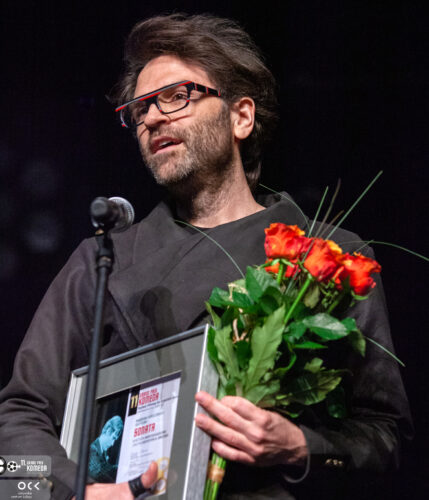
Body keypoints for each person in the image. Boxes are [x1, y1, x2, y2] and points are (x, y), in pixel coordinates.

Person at [0, 13, 412, 500]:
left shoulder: (328, 258)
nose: (152, 118)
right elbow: (11, 446)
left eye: (177, 96)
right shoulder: (103, 260)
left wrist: (301, 446)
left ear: (241, 117)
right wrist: (73, 493)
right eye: (139, 109)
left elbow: (388, 442)